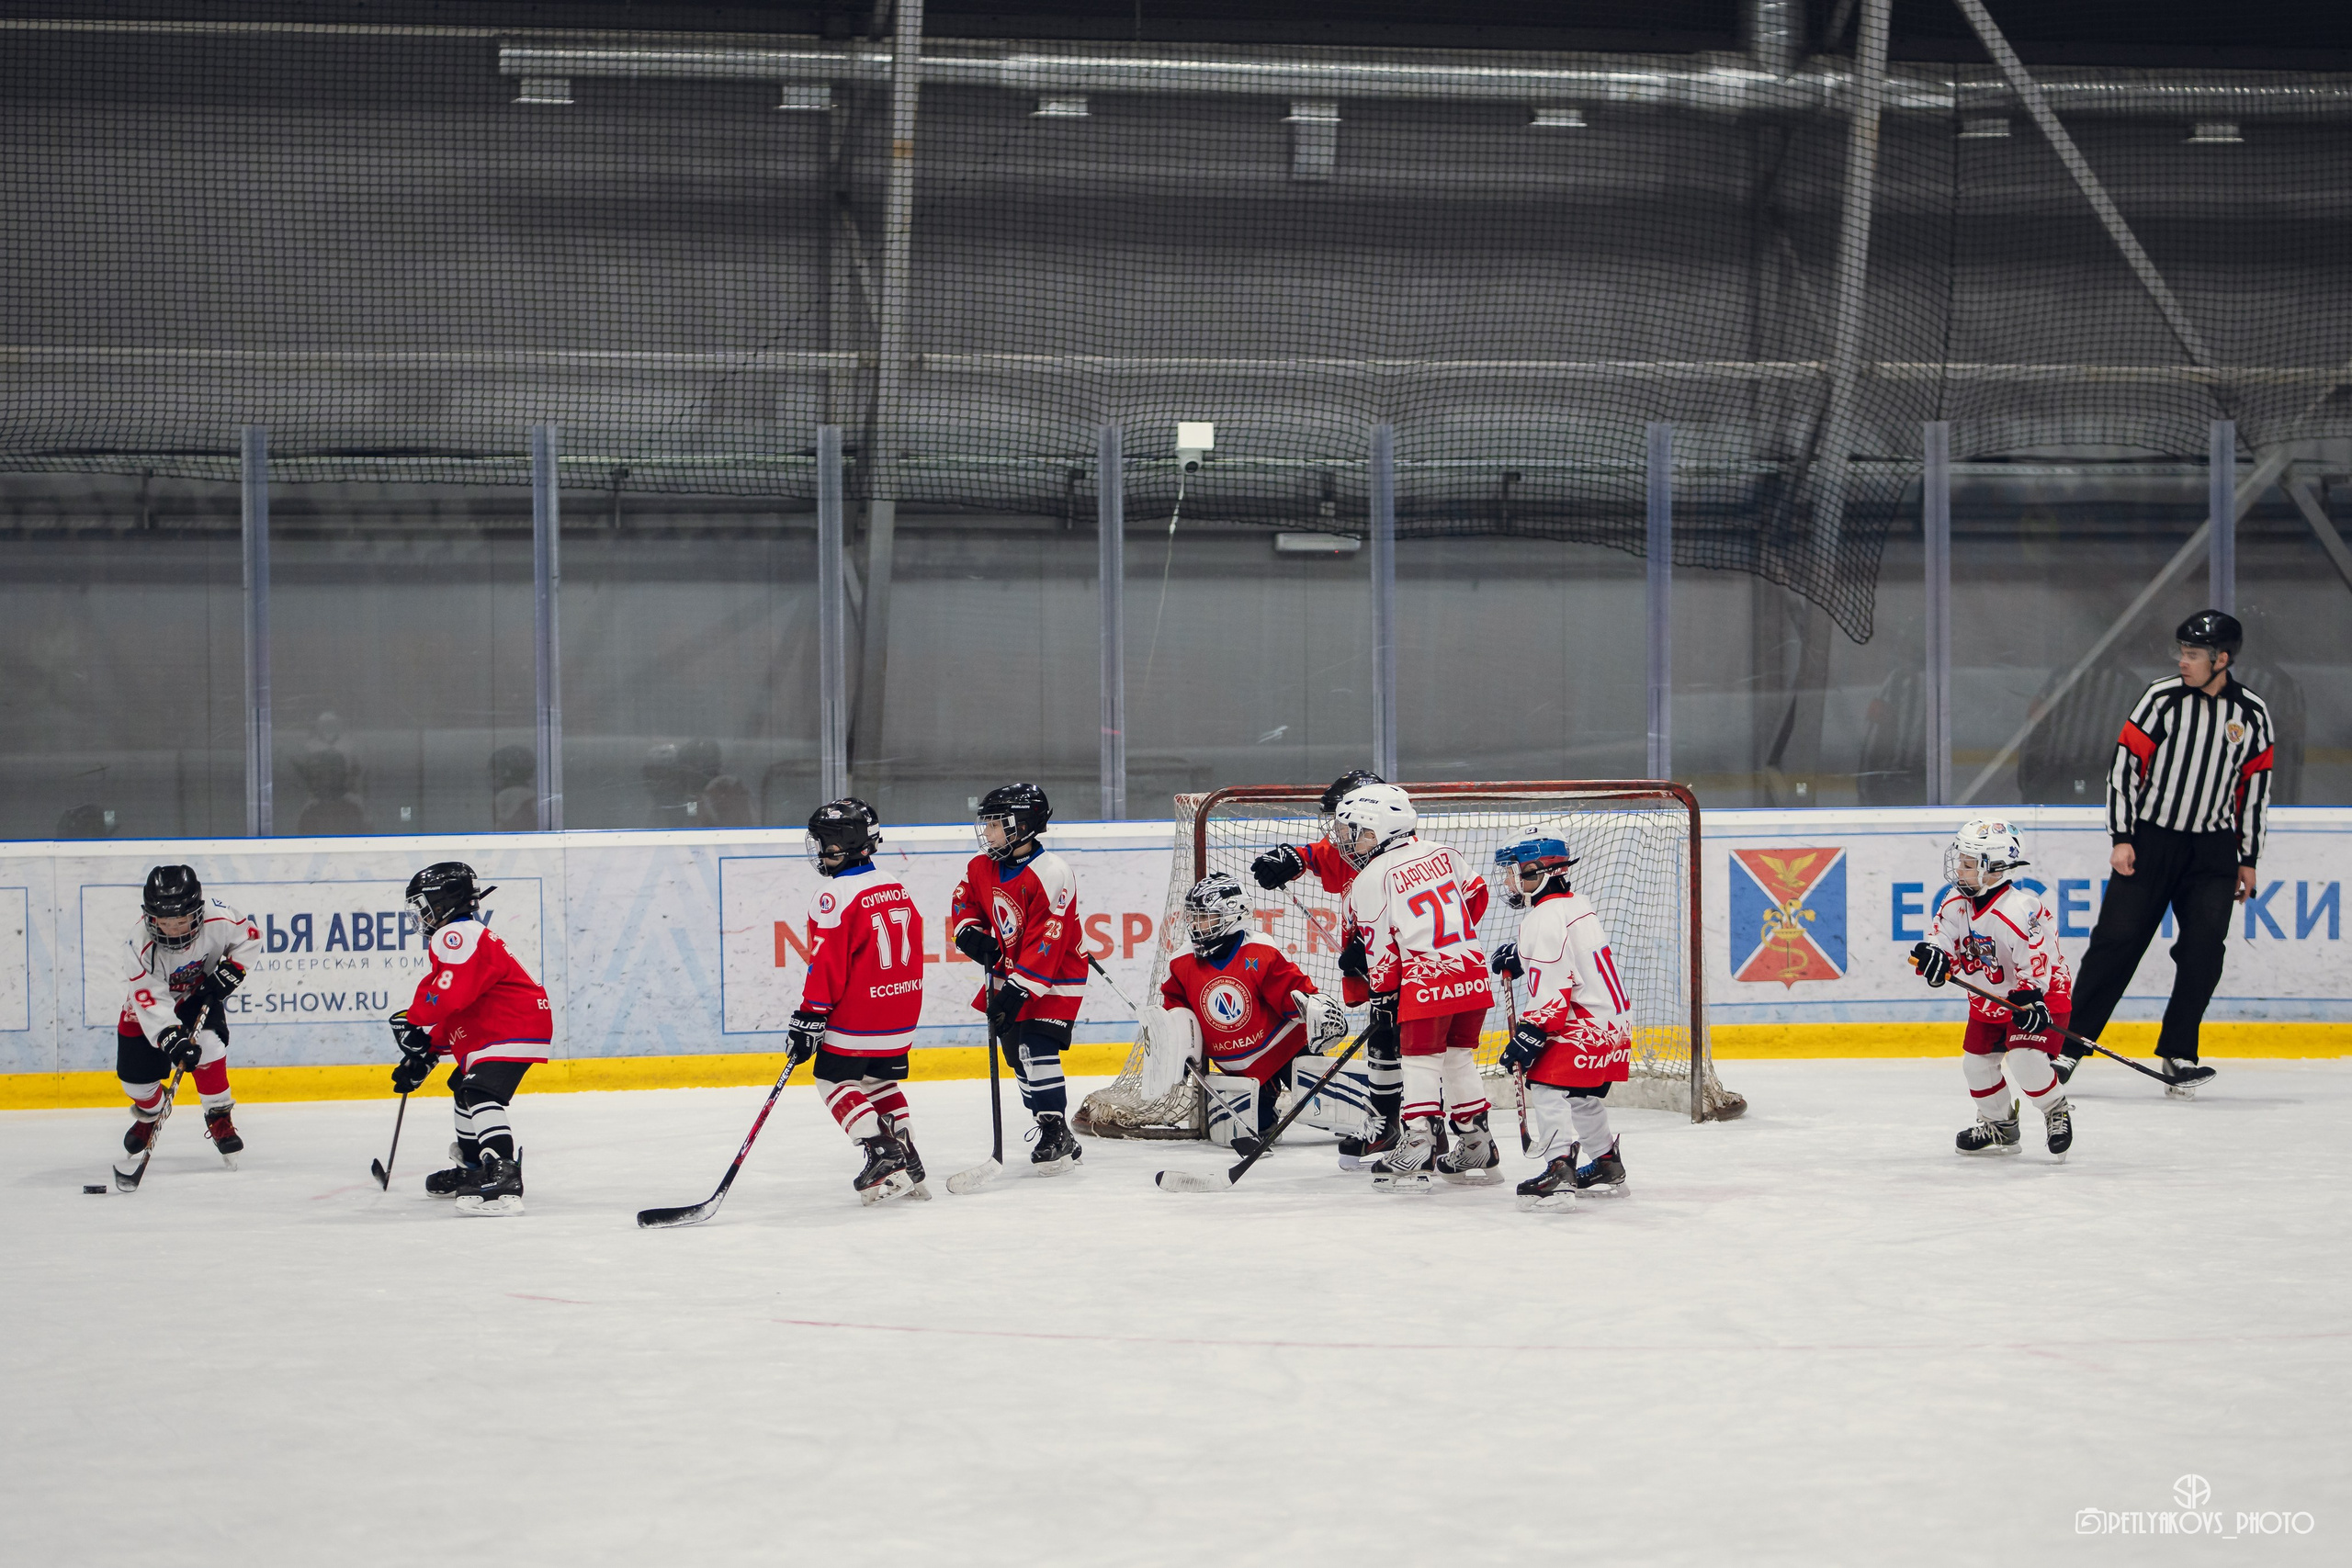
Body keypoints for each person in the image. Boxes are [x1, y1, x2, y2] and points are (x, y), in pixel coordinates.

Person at [2061, 611, 2273, 1095]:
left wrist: (2249, 858)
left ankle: (2179, 1053)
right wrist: (2121, 836)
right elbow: (2124, 767)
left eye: (2194, 654)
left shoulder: (2252, 714)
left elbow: (2255, 791)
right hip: (2152, 841)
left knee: (2203, 951)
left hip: (2213, 851)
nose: (2183, 661)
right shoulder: (2161, 699)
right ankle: (2069, 1048)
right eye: (2181, 651)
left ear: (2222, 660)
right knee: (2115, 943)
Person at [1333, 783, 1496, 1190]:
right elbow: (1477, 896)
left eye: (1358, 832)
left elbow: (1382, 949)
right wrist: (1449, 939)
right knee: (1458, 1059)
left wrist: (1383, 993)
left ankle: (1420, 1143)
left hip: (1426, 980)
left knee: (1420, 1061)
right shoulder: (1444, 852)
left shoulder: (1371, 877)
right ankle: (1478, 1142)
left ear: (1382, 829)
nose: (1349, 841)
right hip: (1471, 971)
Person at [1247, 769, 1401, 1163]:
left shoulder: (1397, 862)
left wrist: (1372, 950)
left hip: (1411, 974)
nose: (1338, 832)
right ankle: (1388, 1125)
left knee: (1413, 1049)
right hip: (1382, 971)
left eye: (1345, 823)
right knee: (1385, 1044)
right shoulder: (1363, 850)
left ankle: (1418, 1131)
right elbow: (1321, 856)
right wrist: (1293, 858)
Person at [786, 799, 930, 1203]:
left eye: (823, 842)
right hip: (901, 1013)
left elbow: (827, 965)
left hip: (858, 1016)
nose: (818, 851)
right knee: (877, 1080)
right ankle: (908, 1154)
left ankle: (879, 1149)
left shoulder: (834, 895)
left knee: (831, 1080)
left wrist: (810, 1015)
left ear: (841, 845)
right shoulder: (893, 883)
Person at [1147, 873, 1349, 1156]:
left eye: (1206, 917)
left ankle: (1381, 1112)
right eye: (1194, 918)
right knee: (1254, 1125)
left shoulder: (1259, 951)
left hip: (1286, 1051)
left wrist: (1312, 1008)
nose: (1196, 925)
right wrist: (1176, 1046)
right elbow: (1175, 1007)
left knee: (1335, 1109)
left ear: (1234, 915)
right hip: (1237, 1070)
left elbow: (1290, 990)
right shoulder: (1181, 962)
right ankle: (1268, 1111)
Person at [390, 863, 551, 1215]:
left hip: (510, 1028)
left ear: (443, 901)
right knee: (463, 1085)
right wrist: (426, 1054)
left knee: (478, 1091)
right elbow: (457, 1009)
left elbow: (448, 996)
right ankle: (474, 1169)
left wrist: (413, 1019)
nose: (421, 915)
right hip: (504, 1026)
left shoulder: (458, 934)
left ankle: (504, 1172)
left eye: (423, 905)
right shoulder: (463, 937)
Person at [1908, 820, 2075, 1159]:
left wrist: (2032, 998)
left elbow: (2038, 960)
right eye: (1961, 859)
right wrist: (1935, 955)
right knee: (1976, 1066)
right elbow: (1942, 936)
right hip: (1988, 999)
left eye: (1969, 863)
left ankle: (2055, 1108)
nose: (1959, 868)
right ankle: (2000, 1126)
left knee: (2027, 1062)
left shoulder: (2019, 909)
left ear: (1995, 868)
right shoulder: (1955, 901)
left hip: (2038, 998)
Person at [949, 783, 1089, 1173]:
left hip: (1055, 975)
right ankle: (1049, 1124)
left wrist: (1019, 989)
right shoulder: (981, 866)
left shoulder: (1052, 872)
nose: (988, 832)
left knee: (1035, 1046)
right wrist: (969, 932)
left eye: (996, 824)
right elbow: (964, 900)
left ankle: (1053, 1127)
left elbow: (1049, 939)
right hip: (1007, 972)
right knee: (1016, 1055)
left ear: (1023, 825)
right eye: (987, 824)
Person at [1489, 838, 1634, 1208]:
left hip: (1582, 1023)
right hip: (1613, 1023)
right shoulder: (1577, 905)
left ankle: (1559, 1170)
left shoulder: (1541, 918)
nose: (1507, 883)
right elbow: (1572, 954)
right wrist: (1523, 956)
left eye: (1511, 873)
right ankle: (1605, 1162)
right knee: (1581, 1095)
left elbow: (1553, 987)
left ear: (1537, 872)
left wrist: (1533, 1032)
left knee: (1546, 1087)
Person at [110, 866, 258, 1186]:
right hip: (151, 1007)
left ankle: (219, 1115)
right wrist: (170, 1038)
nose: (173, 929)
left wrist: (233, 970)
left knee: (210, 1046)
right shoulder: (138, 945)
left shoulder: (220, 918)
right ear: (150, 917)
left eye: (180, 920)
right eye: (164, 921)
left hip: (197, 994)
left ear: (197, 912)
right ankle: (151, 1110)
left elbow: (251, 936)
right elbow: (150, 1000)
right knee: (135, 1083)